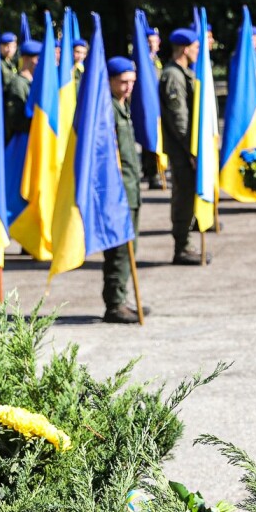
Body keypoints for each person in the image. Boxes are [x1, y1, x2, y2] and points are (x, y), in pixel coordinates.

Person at [102, 57, 147, 323]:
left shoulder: (122, 105)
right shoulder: (106, 109)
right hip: (117, 191)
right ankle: (114, 304)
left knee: (131, 246)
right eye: (123, 82)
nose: (128, 87)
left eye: (132, 81)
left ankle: (122, 297)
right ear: (109, 80)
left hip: (131, 188)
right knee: (119, 250)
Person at [159, 28, 208, 265]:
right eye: (197, 47)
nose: (199, 51)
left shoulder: (183, 73)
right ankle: (182, 247)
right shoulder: (173, 76)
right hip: (182, 150)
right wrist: (192, 151)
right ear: (185, 48)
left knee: (188, 195)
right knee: (183, 196)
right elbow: (179, 119)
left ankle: (186, 244)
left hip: (186, 149)